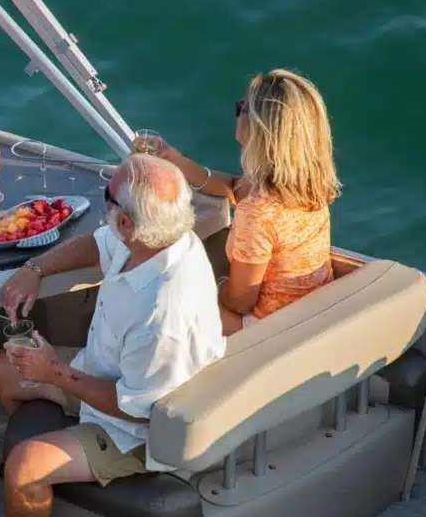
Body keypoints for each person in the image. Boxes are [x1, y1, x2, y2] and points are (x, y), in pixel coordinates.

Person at [0, 154, 226, 517]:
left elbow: (139, 412)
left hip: (139, 432)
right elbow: (96, 243)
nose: (104, 195)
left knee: (23, 464)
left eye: (107, 194)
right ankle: (45, 495)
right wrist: (33, 268)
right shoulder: (154, 238)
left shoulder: (164, 315)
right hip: (104, 376)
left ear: (127, 223)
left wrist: (53, 372)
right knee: (1, 370)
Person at [140, 69, 341, 334]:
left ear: (259, 128)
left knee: (158, 296)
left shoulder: (258, 212)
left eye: (243, 107)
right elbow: (235, 187)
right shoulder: (307, 184)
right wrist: (175, 159)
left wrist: (217, 283)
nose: (238, 111)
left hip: (267, 327)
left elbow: (240, 303)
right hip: (308, 307)